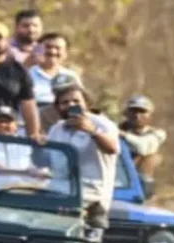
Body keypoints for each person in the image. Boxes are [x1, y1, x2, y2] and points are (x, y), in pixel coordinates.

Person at [46, 75, 120, 214]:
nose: (71, 105)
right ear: (57, 107)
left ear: (86, 103)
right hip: (58, 196)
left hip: (91, 200)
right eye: (65, 102)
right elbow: (45, 161)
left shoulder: (102, 124)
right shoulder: (56, 129)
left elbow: (112, 148)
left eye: (76, 101)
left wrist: (91, 131)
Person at [29, 32, 81, 129]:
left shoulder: (71, 76)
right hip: (34, 126)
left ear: (65, 53)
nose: (53, 52)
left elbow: (79, 104)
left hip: (65, 127)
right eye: (48, 47)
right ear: (38, 50)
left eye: (58, 48)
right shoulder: (27, 74)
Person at [119, 95, 167, 185]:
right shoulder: (116, 129)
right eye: (133, 111)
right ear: (126, 113)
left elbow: (143, 148)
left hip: (144, 183)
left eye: (142, 112)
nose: (137, 115)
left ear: (150, 115)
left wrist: (123, 135)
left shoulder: (157, 134)